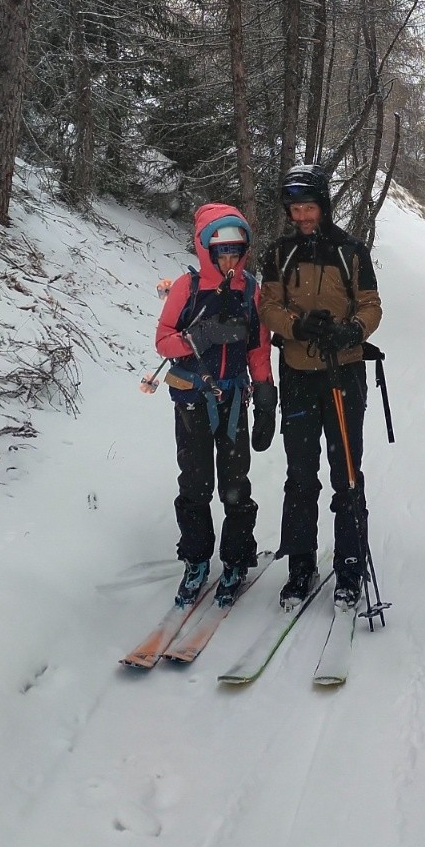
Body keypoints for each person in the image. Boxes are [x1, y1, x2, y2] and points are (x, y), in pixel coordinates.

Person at [259, 164, 382, 611]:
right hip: (297, 373)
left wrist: (352, 331)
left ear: (323, 206)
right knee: (300, 475)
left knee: (346, 473)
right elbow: (268, 306)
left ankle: (350, 567)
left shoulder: (350, 250)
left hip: (343, 372)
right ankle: (300, 566)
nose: (302, 216)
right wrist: (296, 325)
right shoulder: (279, 252)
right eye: (295, 209)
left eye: (308, 207)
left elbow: (371, 304)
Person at [155, 202, 277, 607]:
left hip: (234, 401)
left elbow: (259, 349)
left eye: (235, 250)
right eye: (221, 250)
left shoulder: (250, 289)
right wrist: (197, 338)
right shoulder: (185, 289)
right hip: (191, 399)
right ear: (205, 249)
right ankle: (196, 561)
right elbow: (162, 341)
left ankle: (237, 559)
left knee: (235, 485)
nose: (229, 258)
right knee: (194, 484)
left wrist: (265, 396)